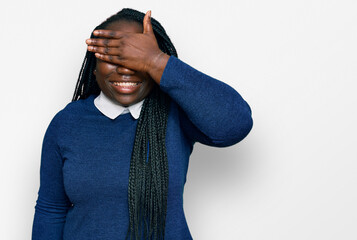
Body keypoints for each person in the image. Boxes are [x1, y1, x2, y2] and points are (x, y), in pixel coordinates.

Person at [31, 8, 253, 240]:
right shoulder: (67, 123)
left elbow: (236, 124)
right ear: (94, 67)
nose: (126, 69)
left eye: (137, 59)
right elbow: (51, 208)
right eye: (113, 57)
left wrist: (157, 61)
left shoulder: (174, 114)